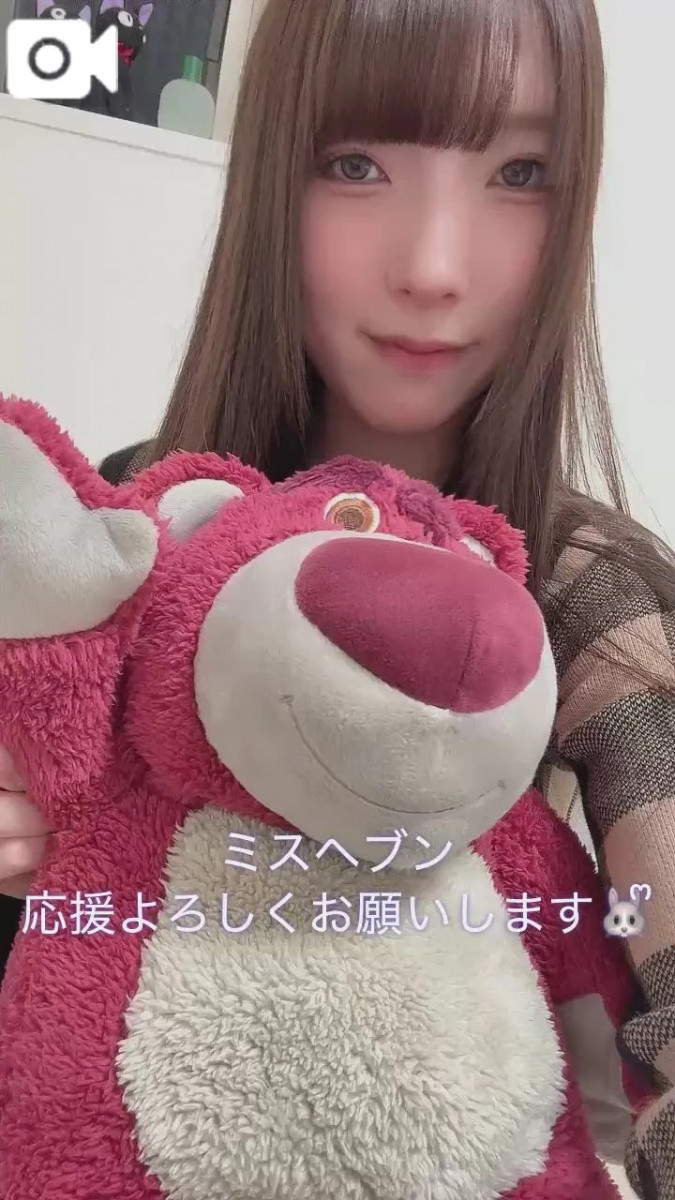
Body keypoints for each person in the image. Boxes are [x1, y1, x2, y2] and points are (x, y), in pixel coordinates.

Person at [1, 0, 674, 1194]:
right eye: (356, 164)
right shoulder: (128, 529)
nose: (434, 269)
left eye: (522, 174)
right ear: (273, 178)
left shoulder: (593, 594)